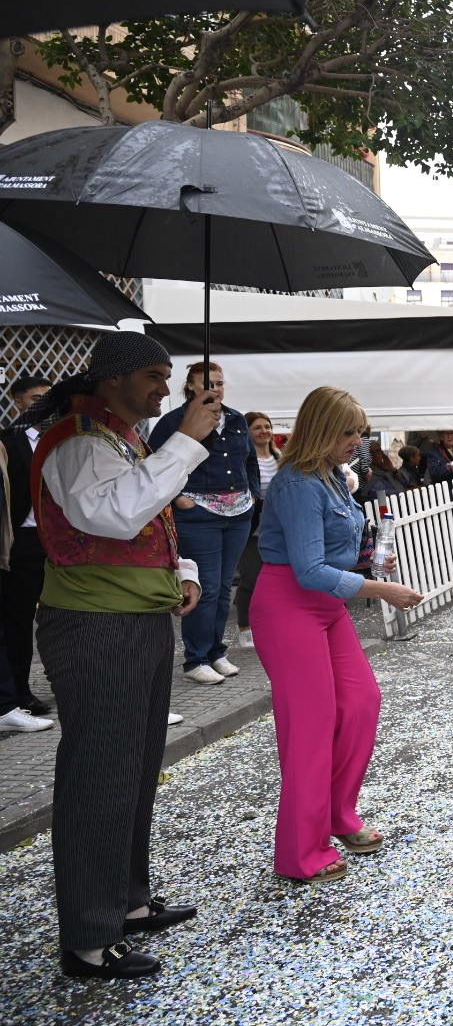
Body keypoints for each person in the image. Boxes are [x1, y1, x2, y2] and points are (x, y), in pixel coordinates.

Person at [23, 331, 218, 978]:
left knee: (133, 773)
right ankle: (88, 937)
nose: (166, 389)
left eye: (168, 377)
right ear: (112, 379)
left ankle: (127, 905)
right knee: (99, 779)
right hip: (93, 627)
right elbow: (113, 515)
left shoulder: (118, 437)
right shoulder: (78, 442)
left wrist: (182, 568)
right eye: (154, 377)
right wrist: (187, 438)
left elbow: (152, 516)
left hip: (132, 620)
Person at [252, 387, 424, 885]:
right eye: (348, 431)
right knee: (310, 727)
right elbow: (307, 569)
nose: (358, 440)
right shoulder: (299, 482)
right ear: (323, 430)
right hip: (290, 606)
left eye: (360, 430)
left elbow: (332, 551)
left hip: (325, 605)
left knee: (361, 703)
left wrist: (369, 564)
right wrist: (380, 587)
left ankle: (336, 815)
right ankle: (301, 851)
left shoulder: (329, 475)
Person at [148, 362, 256, 683]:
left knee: (223, 587)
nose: (216, 388)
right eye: (208, 383)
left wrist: (251, 489)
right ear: (192, 386)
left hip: (238, 512)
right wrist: (177, 496)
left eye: (220, 383)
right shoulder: (174, 421)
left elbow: (248, 458)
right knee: (205, 586)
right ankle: (195, 658)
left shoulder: (236, 419)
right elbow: (154, 461)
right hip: (199, 515)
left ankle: (215, 651)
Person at [3, 373, 52, 715]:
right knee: (18, 621)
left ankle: (69, 683)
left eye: (48, 398)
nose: (42, 405)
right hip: (23, 540)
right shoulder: (7, 440)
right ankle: (20, 692)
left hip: (59, 539)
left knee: (60, 618)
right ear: (18, 401)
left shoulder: (64, 437)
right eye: (35, 399)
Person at [231, 412, 279, 651]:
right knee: (251, 577)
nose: (264, 431)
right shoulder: (245, 459)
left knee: (275, 578)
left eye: (267, 426)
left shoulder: (280, 457)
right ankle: (245, 628)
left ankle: (270, 624)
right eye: (257, 427)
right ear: (248, 432)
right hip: (251, 527)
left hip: (277, 527)